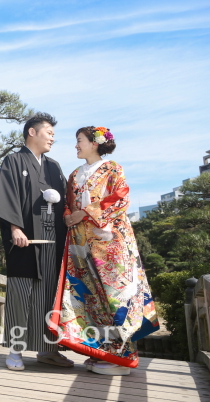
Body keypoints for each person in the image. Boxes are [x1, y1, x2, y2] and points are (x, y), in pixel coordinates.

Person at [51, 126, 159, 375]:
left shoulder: (113, 168)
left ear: (95, 143)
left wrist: (85, 213)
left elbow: (121, 198)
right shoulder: (75, 174)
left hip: (110, 243)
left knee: (115, 297)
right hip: (81, 242)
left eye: (79, 141)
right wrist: (68, 215)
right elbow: (69, 203)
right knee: (91, 298)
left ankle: (123, 356)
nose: (76, 145)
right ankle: (104, 351)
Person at [0, 112, 72, 371]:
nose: (52, 137)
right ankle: (15, 350)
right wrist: (15, 227)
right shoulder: (14, 161)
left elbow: (66, 200)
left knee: (49, 295)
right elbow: (8, 194)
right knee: (21, 293)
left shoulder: (53, 166)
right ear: (32, 132)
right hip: (24, 239)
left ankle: (48, 349)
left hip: (53, 239)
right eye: (49, 132)